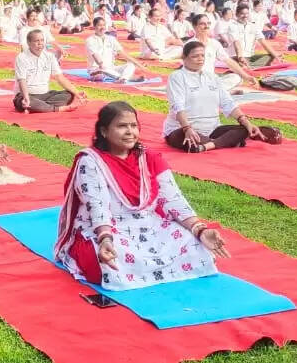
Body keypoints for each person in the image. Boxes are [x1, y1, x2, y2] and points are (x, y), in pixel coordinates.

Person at [55, 101, 229, 289]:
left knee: (196, 246)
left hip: (148, 225)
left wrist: (200, 230)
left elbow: (173, 198)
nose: (130, 132)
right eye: (122, 126)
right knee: (105, 260)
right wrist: (105, 238)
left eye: (134, 126)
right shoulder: (91, 162)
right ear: (104, 131)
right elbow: (97, 205)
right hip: (107, 228)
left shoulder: (151, 158)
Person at [164, 41, 280, 153]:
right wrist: (187, 128)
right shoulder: (177, 77)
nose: (200, 59)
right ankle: (226, 142)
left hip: (212, 129)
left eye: (202, 56)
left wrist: (247, 123)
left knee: (243, 129)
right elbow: (178, 106)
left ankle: (210, 145)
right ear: (184, 58)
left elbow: (227, 102)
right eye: (195, 56)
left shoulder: (212, 77)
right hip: (183, 129)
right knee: (190, 139)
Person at [14, 29, 87, 112]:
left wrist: (77, 93)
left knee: (69, 94)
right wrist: (26, 97)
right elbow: (21, 80)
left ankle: (39, 107)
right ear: (29, 43)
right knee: (24, 101)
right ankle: (58, 108)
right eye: (36, 41)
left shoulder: (49, 56)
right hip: (27, 94)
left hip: (45, 94)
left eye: (42, 40)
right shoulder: (22, 57)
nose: (40, 43)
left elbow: (60, 77)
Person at [188, 14, 257, 93]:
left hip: (211, 81)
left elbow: (228, 61)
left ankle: (215, 92)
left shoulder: (214, 43)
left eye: (208, 23)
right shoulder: (190, 44)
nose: (206, 26)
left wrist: (247, 76)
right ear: (194, 26)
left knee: (237, 78)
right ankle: (218, 93)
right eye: (202, 24)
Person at [85, 17, 149, 82]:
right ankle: (127, 77)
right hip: (97, 69)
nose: (102, 27)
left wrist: (138, 64)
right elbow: (95, 55)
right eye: (99, 25)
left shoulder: (111, 39)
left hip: (111, 68)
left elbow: (123, 54)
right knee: (102, 72)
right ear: (94, 27)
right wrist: (101, 65)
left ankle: (123, 78)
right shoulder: (90, 40)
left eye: (104, 25)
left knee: (130, 65)